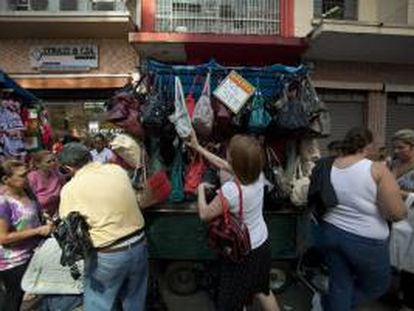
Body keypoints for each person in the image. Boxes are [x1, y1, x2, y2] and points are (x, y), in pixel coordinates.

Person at [187, 132, 279, 311]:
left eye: (229, 153)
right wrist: (198, 148)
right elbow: (223, 165)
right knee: (262, 290)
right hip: (261, 245)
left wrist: (200, 190)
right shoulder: (257, 174)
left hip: (242, 251)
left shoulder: (231, 191)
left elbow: (205, 215)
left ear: (237, 163)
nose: (226, 155)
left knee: (233, 299)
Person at [318, 127, 406, 311]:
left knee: (340, 284)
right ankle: (332, 305)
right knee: (379, 284)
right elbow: (397, 213)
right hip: (365, 241)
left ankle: (335, 305)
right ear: (368, 145)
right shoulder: (376, 169)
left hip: (329, 231)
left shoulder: (328, 165)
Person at [57, 142, 147, 311]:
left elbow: (67, 221)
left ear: (67, 168)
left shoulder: (71, 188)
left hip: (108, 254)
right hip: (138, 244)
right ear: (90, 157)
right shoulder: (116, 171)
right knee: (134, 299)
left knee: (99, 303)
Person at [0, 160, 53, 311]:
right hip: (13, 261)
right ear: (6, 179)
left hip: (32, 254)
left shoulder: (26, 191)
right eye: (22, 176)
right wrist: (37, 231)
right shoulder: (3, 202)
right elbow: (3, 238)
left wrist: (43, 218)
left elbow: (32, 215)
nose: (27, 178)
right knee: (14, 298)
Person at [390, 129, 414, 311]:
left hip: (411, 221)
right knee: (394, 257)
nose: (396, 151)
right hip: (394, 219)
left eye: (401, 147)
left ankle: (408, 302)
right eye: (395, 147)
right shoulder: (394, 163)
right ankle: (395, 293)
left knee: (409, 262)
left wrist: (398, 193)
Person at [27, 150, 65, 218]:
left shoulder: (58, 175)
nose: (53, 163)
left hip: (56, 212)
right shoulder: (32, 177)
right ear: (38, 164)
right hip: (39, 214)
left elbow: (64, 192)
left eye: (53, 160)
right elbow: (29, 199)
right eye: (48, 162)